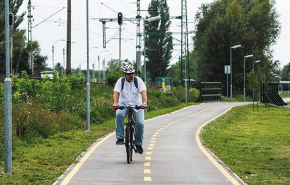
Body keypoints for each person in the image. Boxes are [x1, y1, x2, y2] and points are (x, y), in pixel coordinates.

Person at [113, 64, 147, 154]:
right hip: (124, 103)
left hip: (137, 104)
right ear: (125, 74)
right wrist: (116, 103)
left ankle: (138, 143)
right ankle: (120, 137)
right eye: (129, 74)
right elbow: (116, 93)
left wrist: (144, 103)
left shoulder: (138, 80)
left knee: (140, 123)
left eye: (132, 73)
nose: (131, 75)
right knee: (119, 115)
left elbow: (143, 92)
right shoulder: (120, 81)